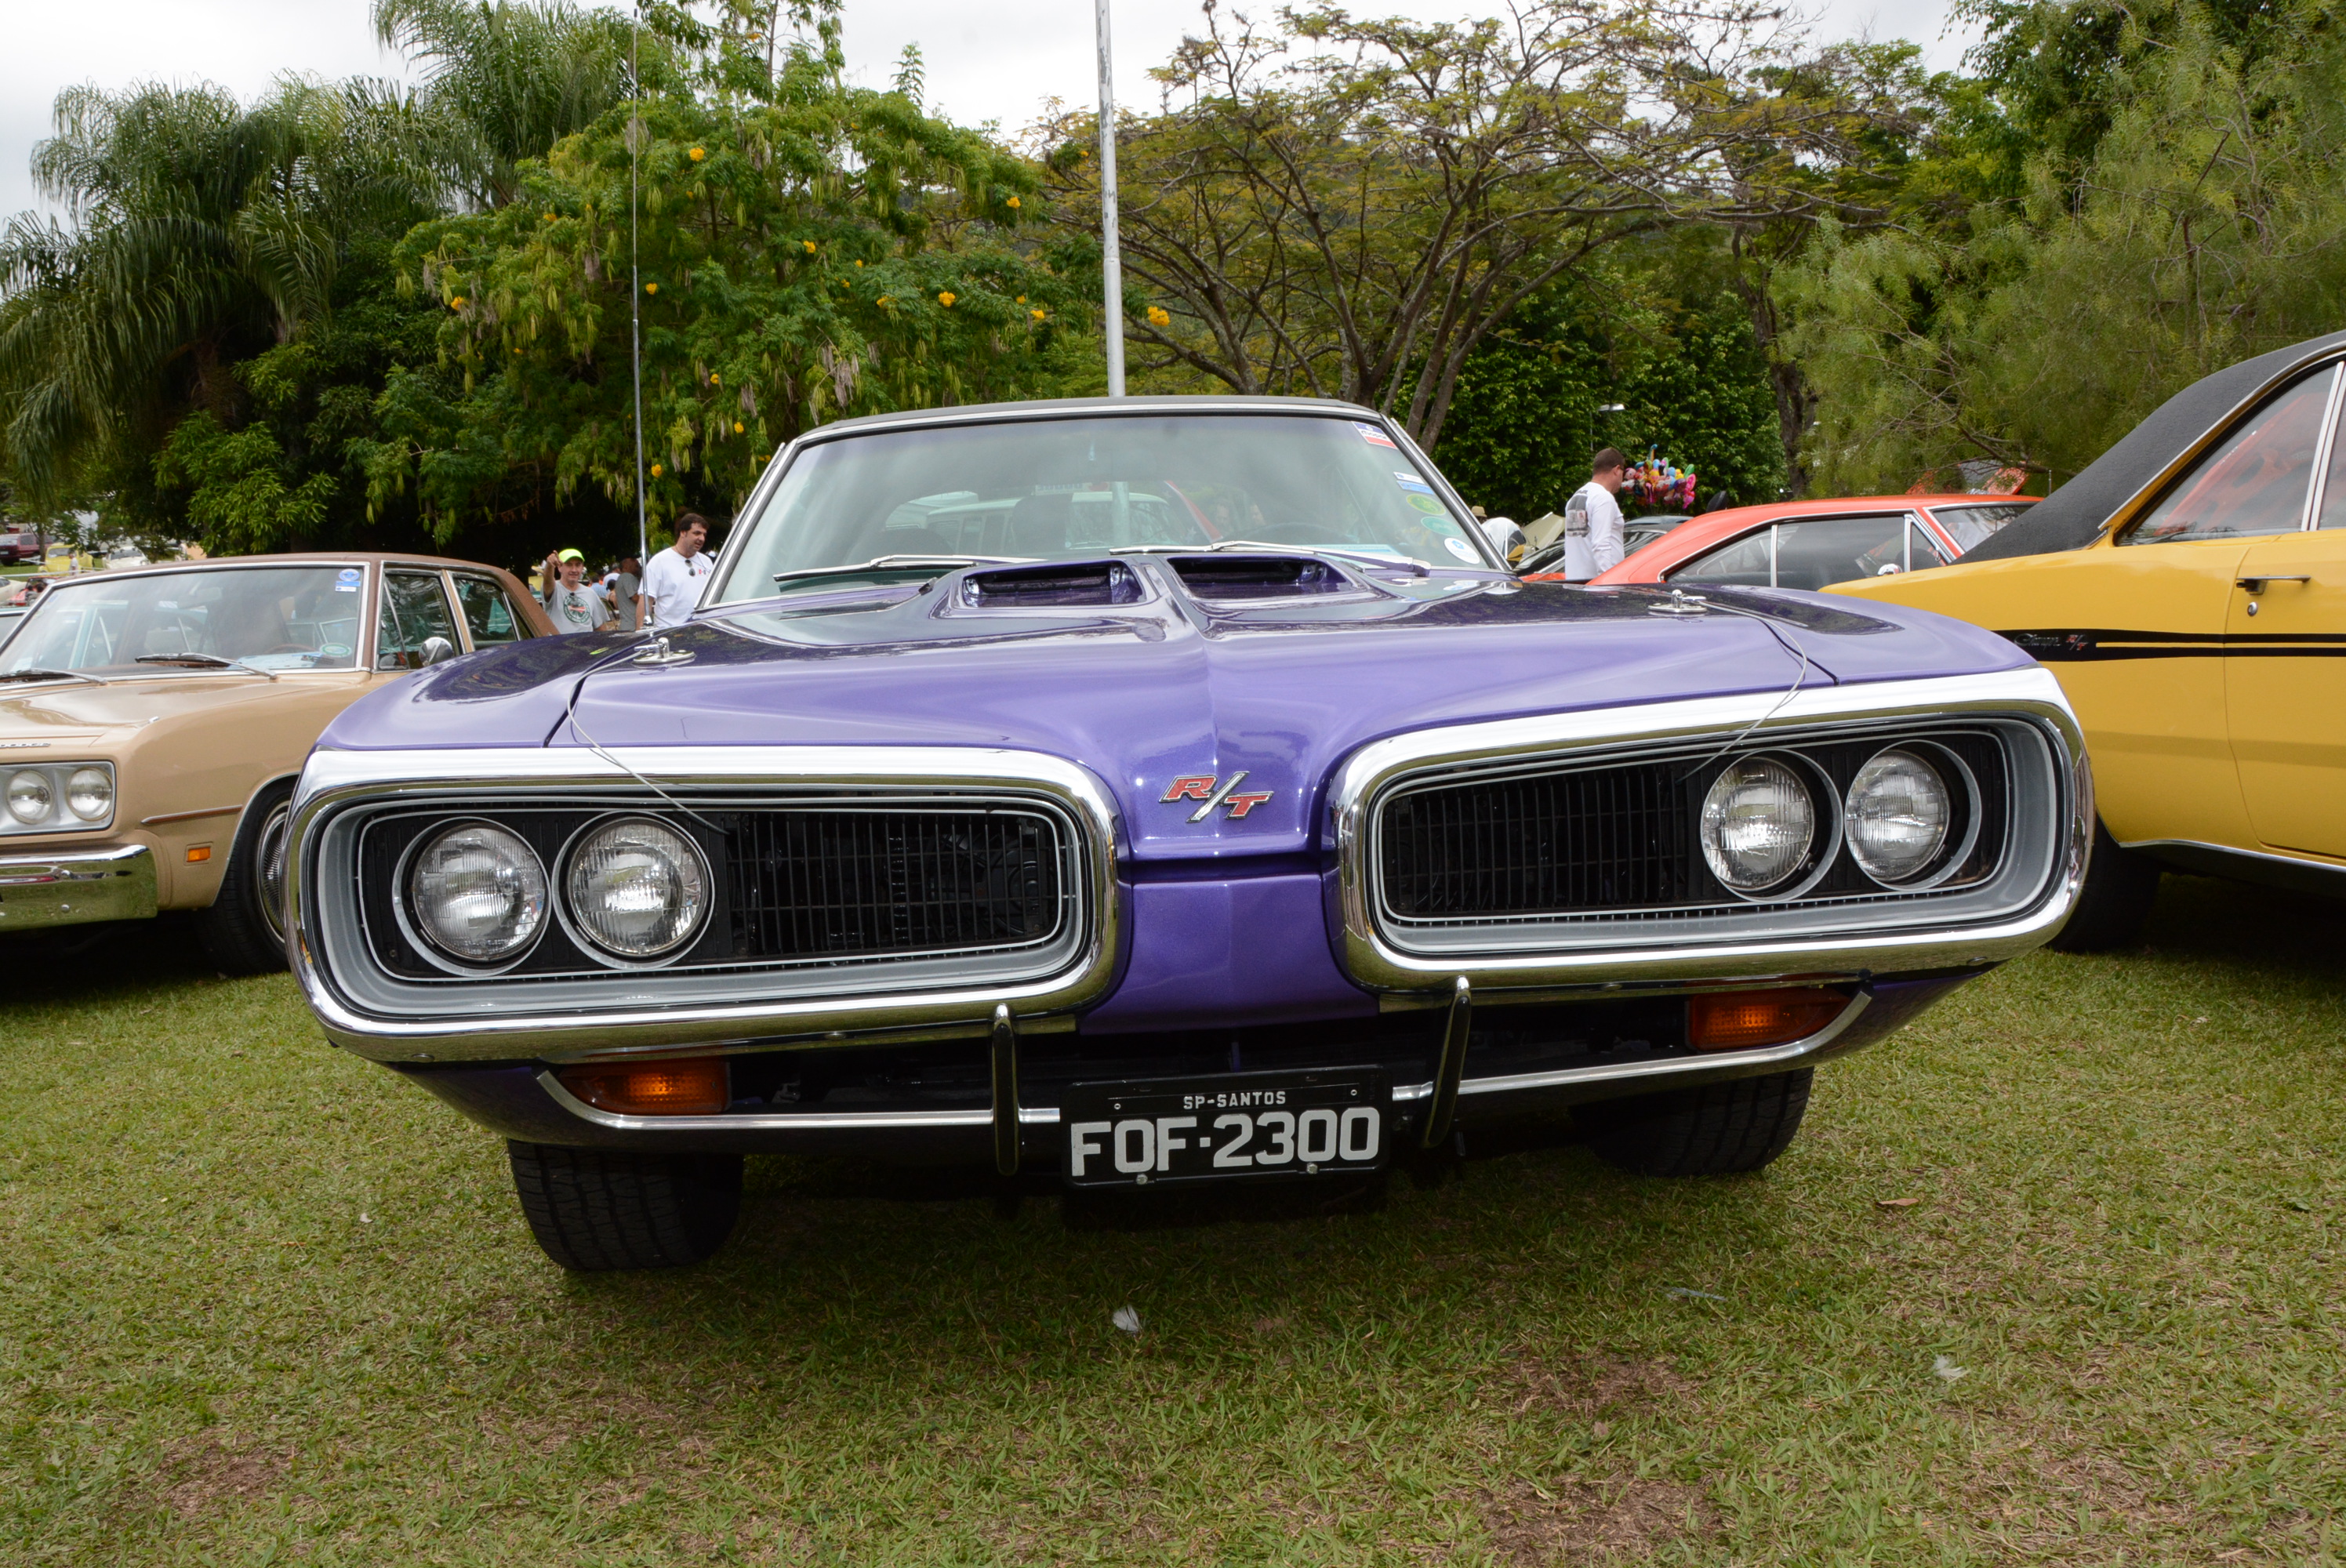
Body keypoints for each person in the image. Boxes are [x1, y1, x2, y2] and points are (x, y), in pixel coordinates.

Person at [1560, 448, 1629, 582]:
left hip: (1575, 582)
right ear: (1617, 470)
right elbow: (1601, 544)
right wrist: (1608, 583)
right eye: (1622, 473)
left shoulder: (1576, 497)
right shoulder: (1603, 498)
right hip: (1599, 587)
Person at [641, 514, 713, 631]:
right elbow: (645, 602)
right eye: (697, 533)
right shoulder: (659, 561)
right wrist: (642, 636)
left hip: (701, 632)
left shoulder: (707, 562)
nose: (702, 538)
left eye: (704, 534)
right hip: (669, 633)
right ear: (683, 533)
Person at [545, 549, 614, 634]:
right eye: (569, 565)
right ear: (559, 567)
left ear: (582, 568)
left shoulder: (590, 593)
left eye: (578, 565)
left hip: (586, 646)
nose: (574, 570)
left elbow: (600, 628)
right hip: (559, 646)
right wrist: (550, 565)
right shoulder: (554, 589)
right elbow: (547, 582)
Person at [605, 556, 643, 631]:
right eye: (636, 566)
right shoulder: (628, 577)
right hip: (633, 625)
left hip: (627, 624)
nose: (639, 568)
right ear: (626, 567)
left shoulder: (621, 578)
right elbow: (635, 598)